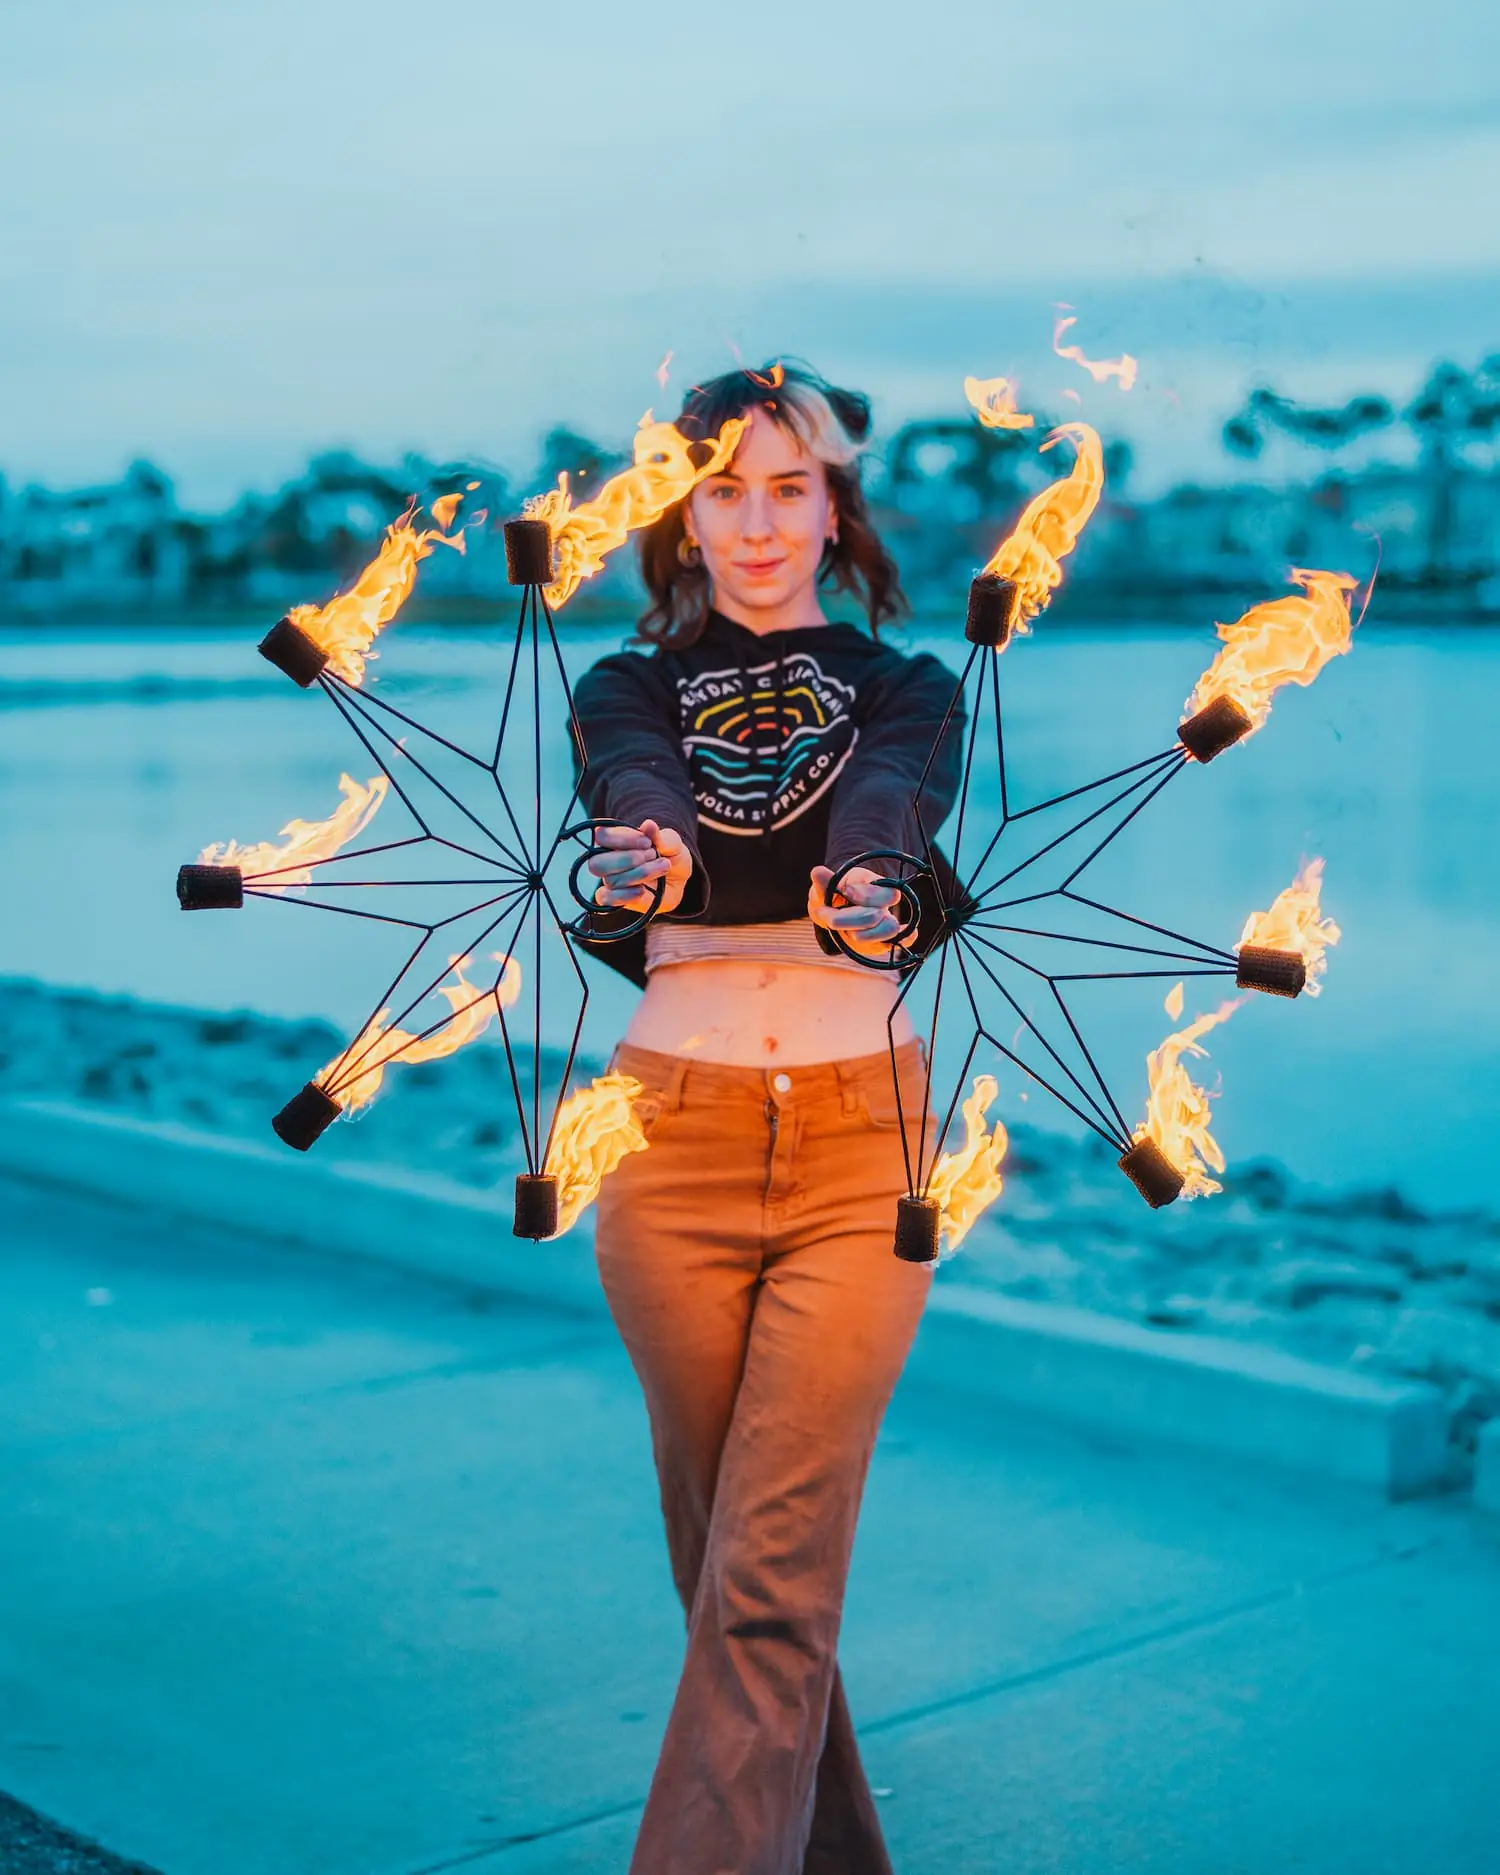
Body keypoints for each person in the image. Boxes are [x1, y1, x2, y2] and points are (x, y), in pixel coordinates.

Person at [572, 362, 965, 1875]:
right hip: (666, 1144)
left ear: (834, 507)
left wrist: (865, 889)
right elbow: (639, 785)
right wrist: (651, 861)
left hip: (867, 1144)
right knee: (735, 1561)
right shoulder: (623, 682)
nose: (755, 522)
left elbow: (888, 806)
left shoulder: (909, 686)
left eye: (788, 486)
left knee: (769, 1570)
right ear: (680, 513)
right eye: (723, 488)